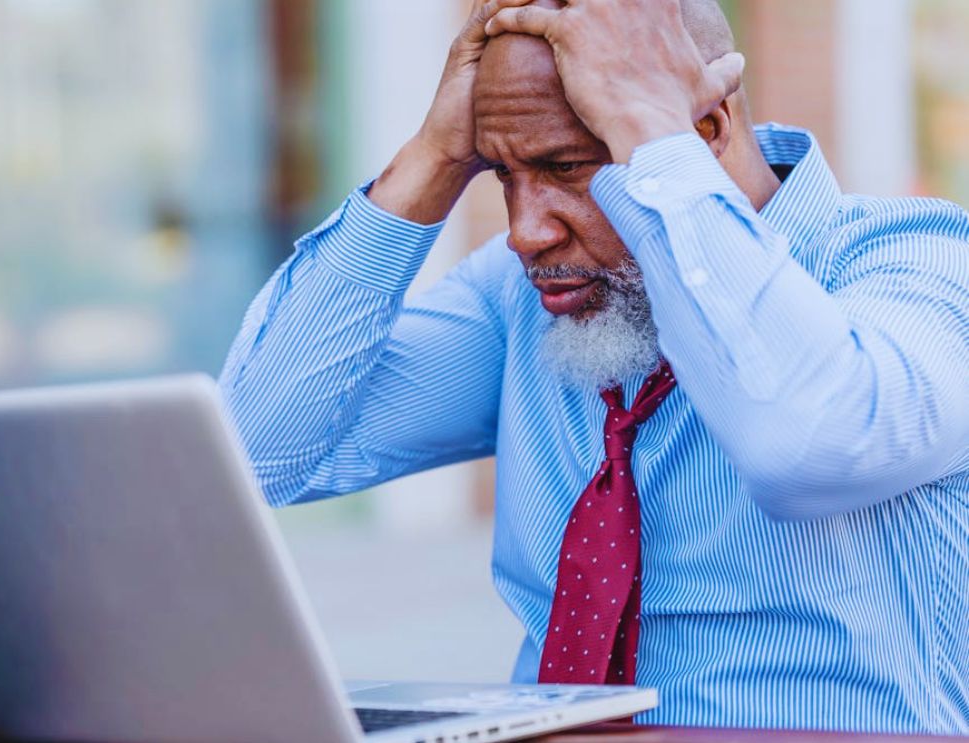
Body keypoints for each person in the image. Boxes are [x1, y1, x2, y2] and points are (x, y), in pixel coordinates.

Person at [219, 0, 969, 733]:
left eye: (567, 167)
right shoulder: (521, 297)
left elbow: (806, 447)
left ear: (703, 131)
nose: (524, 231)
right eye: (499, 175)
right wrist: (432, 157)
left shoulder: (919, 267)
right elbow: (252, 455)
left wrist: (648, 131)